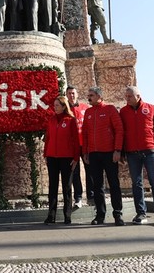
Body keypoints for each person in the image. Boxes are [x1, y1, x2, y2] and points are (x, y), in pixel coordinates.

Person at [120, 86, 154, 226]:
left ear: (138, 96)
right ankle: (141, 213)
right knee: (136, 183)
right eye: (126, 96)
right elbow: (121, 133)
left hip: (150, 151)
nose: (127, 99)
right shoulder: (123, 112)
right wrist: (122, 152)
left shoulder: (151, 108)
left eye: (129, 96)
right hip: (132, 153)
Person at [82, 86, 125, 226]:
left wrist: (117, 150)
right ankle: (100, 215)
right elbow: (85, 134)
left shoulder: (110, 109)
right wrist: (85, 152)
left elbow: (119, 130)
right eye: (88, 95)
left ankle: (118, 214)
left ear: (99, 96)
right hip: (93, 154)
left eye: (92, 95)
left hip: (109, 153)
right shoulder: (88, 112)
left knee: (113, 184)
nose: (89, 97)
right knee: (97, 186)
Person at [43, 94, 81, 225]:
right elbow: (48, 138)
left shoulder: (70, 120)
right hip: (52, 157)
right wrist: (45, 154)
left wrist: (76, 157)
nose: (55, 108)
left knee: (66, 187)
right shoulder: (51, 119)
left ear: (64, 106)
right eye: (54, 105)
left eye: (57, 105)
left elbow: (76, 140)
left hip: (67, 158)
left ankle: (67, 215)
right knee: (52, 187)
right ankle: (51, 216)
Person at [66, 86, 91, 208]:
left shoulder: (85, 108)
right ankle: (78, 197)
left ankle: (91, 197)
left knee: (90, 170)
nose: (71, 95)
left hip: (86, 145)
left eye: (73, 93)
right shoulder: (65, 110)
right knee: (74, 172)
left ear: (77, 94)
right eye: (69, 93)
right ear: (66, 95)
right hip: (73, 146)